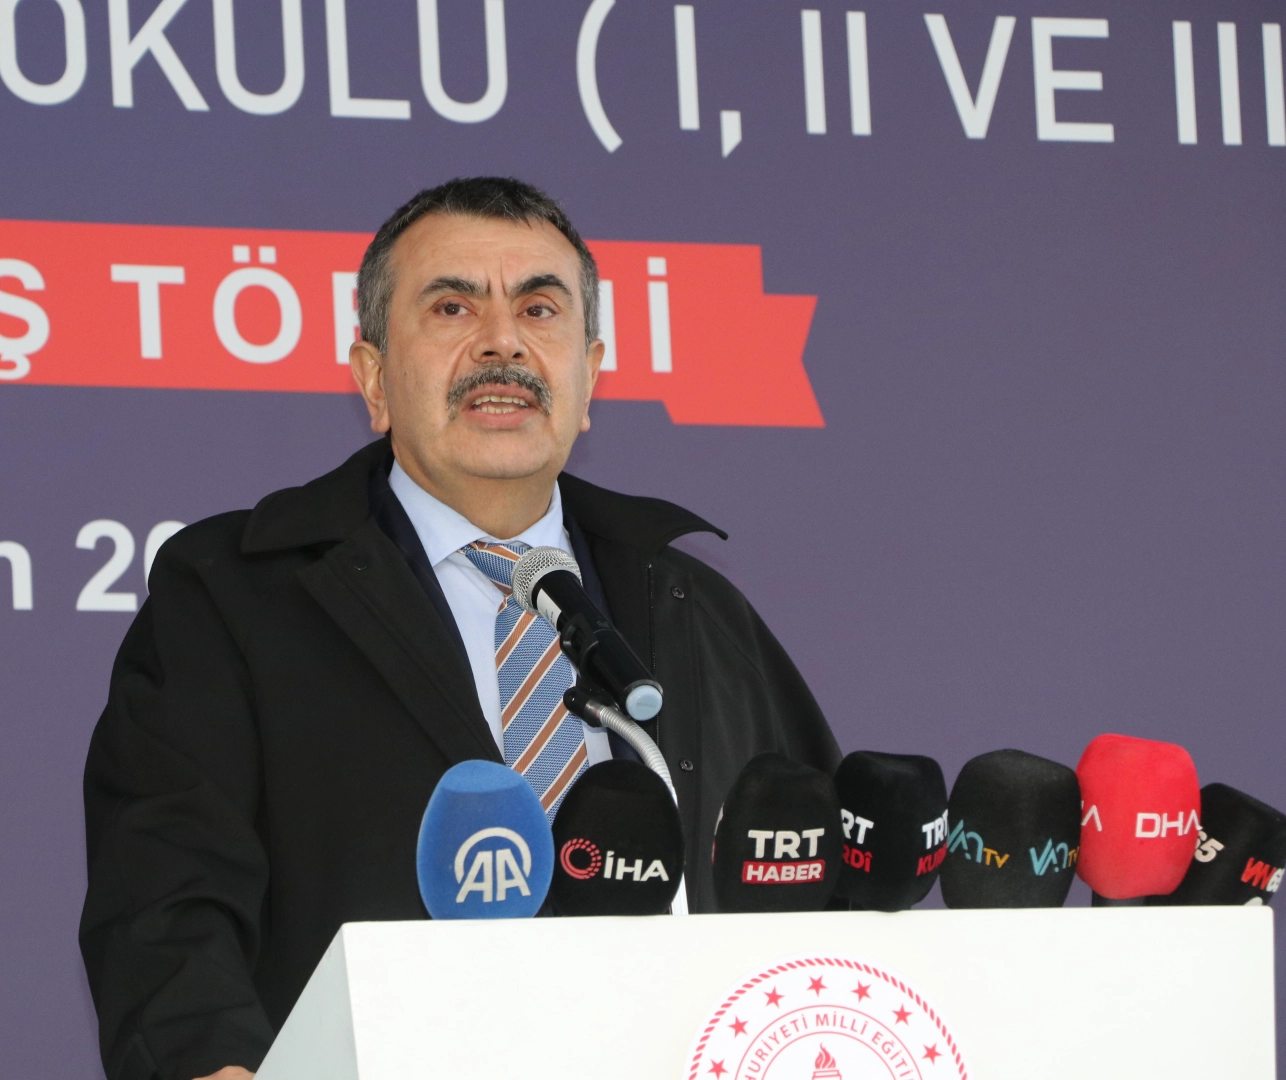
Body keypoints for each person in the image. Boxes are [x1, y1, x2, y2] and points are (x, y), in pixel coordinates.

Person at [79, 177, 840, 1080]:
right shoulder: (237, 596)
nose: (503, 342)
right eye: (452, 307)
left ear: (590, 376)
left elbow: (815, 889)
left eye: (540, 309)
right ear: (373, 379)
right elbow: (165, 910)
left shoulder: (695, 608)